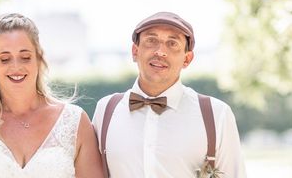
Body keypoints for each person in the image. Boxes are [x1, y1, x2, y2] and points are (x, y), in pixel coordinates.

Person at [0, 12, 105, 178]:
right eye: (5, 59)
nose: (16, 67)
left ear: (39, 60)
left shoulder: (74, 122)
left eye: (25, 57)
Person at [93, 11, 247, 178]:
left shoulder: (217, 114)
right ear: (135, 51)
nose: (160, 51)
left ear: (187, 59)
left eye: (172, 43)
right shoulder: (106, 109)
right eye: (151, 41)